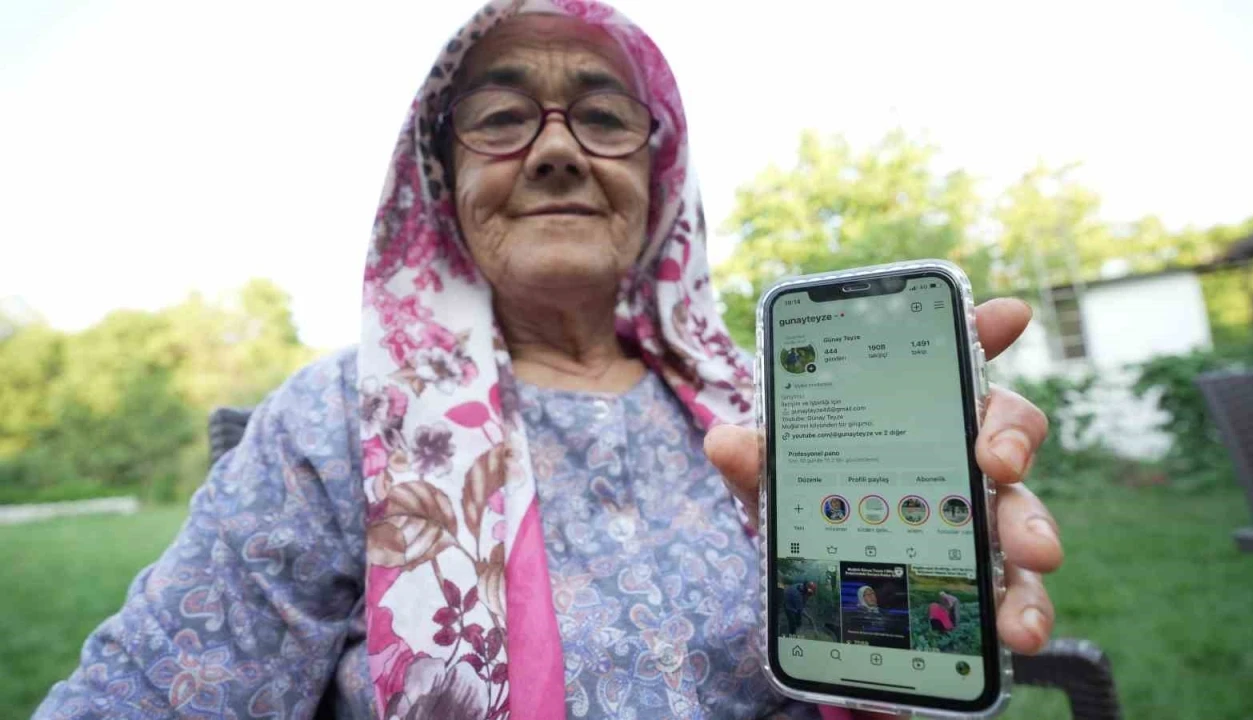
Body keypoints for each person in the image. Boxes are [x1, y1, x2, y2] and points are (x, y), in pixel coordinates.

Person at [36, 2, 1062, 718]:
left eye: (605, 118)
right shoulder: (338, 420)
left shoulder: (770, 410)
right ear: (441, 186)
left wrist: (931, 565)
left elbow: (879, 653)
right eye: (499, 119)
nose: (558, 150)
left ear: (658, 183)